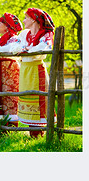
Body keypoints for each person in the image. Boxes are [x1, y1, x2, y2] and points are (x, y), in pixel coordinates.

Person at [18, 8, 56, 138]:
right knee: (27, 98)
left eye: (25, 18)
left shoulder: (46, 34)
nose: (23, 21)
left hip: (36, 68)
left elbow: (43, 47)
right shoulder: (24, 34)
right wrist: (25, 49)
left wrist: (27, 49)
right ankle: (33, 134)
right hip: (24, 68)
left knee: (39, 98)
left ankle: (39, 134)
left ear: (33, 19)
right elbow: (17, 46)